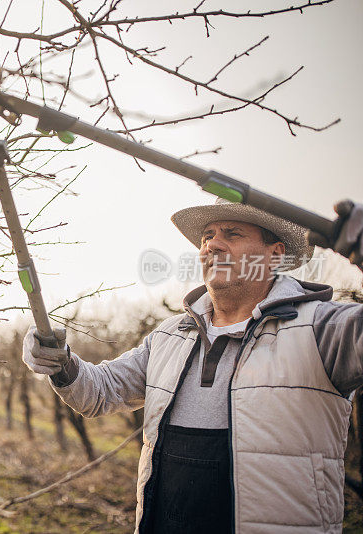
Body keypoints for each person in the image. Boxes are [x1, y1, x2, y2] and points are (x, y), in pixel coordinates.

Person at [23, 198, 363, 533]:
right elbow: (101, 391)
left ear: (274, 255)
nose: (213, 245)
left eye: (232, 234)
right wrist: (61, 362)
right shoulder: (170, 335)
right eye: (207, 236)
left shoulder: (324, 328)